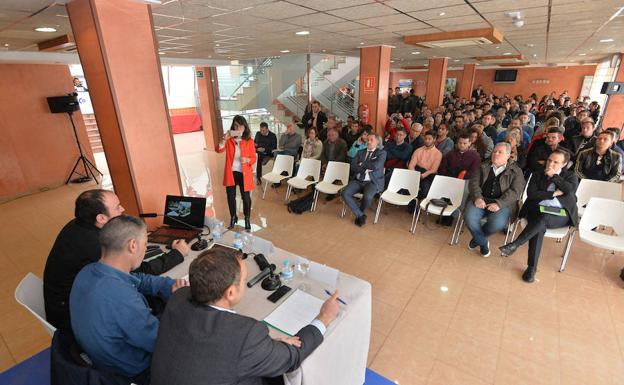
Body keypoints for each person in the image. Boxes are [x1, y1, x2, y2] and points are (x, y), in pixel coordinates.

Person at [150, 247, 340, 385]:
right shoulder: (246, 334)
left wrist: (265, 346)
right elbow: (291, 358)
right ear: (230, 292)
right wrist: (324, 318)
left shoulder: (179, 297)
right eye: (243, 280)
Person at [43, 189, 189, 330]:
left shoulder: (76, 225)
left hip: (68, 302)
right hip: (73, 317)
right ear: (101, 218)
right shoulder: (97, 245)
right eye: (117, 207)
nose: (123, 209)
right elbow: (138, 270)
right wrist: (177, 254)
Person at [70, 215, 189, 384]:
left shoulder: (88, 271)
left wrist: (169, 285)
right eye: (146, 244)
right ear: (133, 245)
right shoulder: (122, 298)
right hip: (135, 371)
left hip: (103, 356)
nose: (145, 248)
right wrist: (180, 304)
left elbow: (137, 279)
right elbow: (163, 342)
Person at [499, 150, 578, 283]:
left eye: (555, 162)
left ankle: (516, 246)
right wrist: (553, 194)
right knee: (539, 224)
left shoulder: (570, 176)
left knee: (541, 221)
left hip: (560, 214)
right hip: (537, 209)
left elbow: (570, 190)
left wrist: (554, 177)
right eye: (549, 160)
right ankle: (531, 268)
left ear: (564, 164)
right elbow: (531, 194)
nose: (550, 164)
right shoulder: (537, 174)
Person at [465, 142, 525, 257]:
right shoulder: (482, 165)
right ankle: (482, 242)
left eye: (500, 152)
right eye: (494, 151)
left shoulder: (516, 171)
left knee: (497, 223)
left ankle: (477, 239)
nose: (495, 154)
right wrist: (478, 198)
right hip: (481, 199)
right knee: (469, 218)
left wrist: (499, 204)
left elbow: (515, 192)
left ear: (508, 155)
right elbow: (473, 183)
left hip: (502, 203)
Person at [217, 115, 257, 231]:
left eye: (240, 125)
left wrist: (248, 160)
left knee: (246, 198)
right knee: (231, 197)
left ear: (244, 127)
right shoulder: (229, 140)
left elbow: (253, 158)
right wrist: (224, 138)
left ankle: (247, 219)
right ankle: (233, 217)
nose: (238, 128)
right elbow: (218, 150)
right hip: (231, 172)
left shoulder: (249, 141)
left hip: (244, 174)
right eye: (235, 125)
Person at [341, 134, 387, 227]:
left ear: (377, 142)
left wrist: (362, 164)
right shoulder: (360, 152)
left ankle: (359, 213)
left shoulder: (381, 153)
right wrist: (365, 166)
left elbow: (375, 166)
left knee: (368, 197)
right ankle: (360, 215)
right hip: (358, 180)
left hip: (372, 181)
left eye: (371, 140)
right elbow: (353, 166)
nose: (368, 142)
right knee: (344, 193)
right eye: (367, 140)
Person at [407, 131, 442, 200]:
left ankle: (415, 202)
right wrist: (415, 175)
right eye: (425, 138)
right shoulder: (418, 150)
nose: (427, 141)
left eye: (429, 139)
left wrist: (422, 176)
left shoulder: (438, 153)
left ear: (434, 139)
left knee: (424, 192)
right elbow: (411, 165)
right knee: (409, 188)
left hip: (428, 175)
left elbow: (433, 170)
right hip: (416, 172)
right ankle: (412, 202)